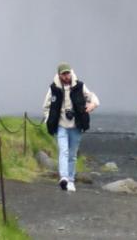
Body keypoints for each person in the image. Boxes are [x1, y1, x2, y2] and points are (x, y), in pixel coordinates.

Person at [41, 63, 99, 191]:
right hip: (61, 125)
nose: (66, 76)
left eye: (68, 73)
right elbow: (45, 107)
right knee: (63, 151)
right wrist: (49, 120)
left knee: (72, 155)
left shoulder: (80, 86)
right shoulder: (53, 88)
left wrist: (92, 105)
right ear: (59, 75)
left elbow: (92, 97)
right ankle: (64, 178)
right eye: (64, 74)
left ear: (71, 73)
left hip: (76, 126)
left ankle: (71, 180)